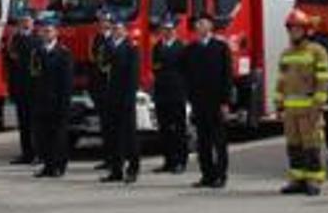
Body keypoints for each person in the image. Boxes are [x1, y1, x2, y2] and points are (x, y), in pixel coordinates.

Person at [278, 10, 328, 196]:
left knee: (312, 145)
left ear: (307, 30)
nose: (294, 32)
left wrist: (317, 105)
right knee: (293, 146)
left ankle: (314, 180)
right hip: (291, 110)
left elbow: (324, 79)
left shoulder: (317, 51)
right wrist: (279, 103)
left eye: (298, 29)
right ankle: (297, 179)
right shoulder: (286, 54)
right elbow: (281, 81)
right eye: (291, 29)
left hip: (309, 108)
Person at [184, 13, 233, 189]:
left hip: (216, 101)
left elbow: (227, 76)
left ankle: (221, 175)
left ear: (211, 26)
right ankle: (207, 175)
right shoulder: (191, 49)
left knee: (218, 140)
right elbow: (186, 75)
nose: (199, 26)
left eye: (203, 23)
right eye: (197, 24)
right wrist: (189, 98)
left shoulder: (220, 47)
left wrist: (225, 102)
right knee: (203, 141)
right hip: (199, 101)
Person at [97, 10, 142, 184]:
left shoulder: (130, 48)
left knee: (129, 135)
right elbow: (102, 68)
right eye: (114, 27)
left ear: (125, 31)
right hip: (110, 96)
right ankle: (116, 170)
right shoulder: (107, 46)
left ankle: (133, 168)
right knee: (113, 135)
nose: (116, 30)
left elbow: (133, 76)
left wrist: (128, 98)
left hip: (125, 97)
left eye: (119, 28)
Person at [30, 13, 75, 178]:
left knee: (58, 136)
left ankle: (58, 166)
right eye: (43, 31)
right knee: (43, 135)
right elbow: (34, 78)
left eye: (49, 31)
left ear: (56, 33)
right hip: (41, 101)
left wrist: (64, 104)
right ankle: (48, 165)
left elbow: (66, 83)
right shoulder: (37, 52)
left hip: (57, 101)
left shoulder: (64, 54)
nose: (46, 34)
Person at [150, 14, 189, 175]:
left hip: (177, 92)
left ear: (175, 30)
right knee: (164, 128)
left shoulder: (181, 48)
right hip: (161, 92)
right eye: (164, 29)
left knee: (179, 128)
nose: (167, 32)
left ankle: (181, 161)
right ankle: (168, 161)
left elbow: (186, 71)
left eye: (170, 29)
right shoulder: (157, 47)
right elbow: (155, 68)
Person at [5, 10, 39, 166]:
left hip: (34, 87)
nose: (24, 23)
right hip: (20, 87)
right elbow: (10, 65)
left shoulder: (37, 39)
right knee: (23, 123)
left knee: (36, 123)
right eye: (22, 20)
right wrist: (11, 88)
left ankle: (38, 153)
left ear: (33, 22)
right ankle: (26, 153)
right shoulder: (15, 39)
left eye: (27, 20)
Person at [90, 10, 116, 175]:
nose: (102, 23)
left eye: (105, 21)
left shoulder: (115, 39)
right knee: (105, 125)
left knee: (115, 125)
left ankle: (116, 158)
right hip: (100, 87)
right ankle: (107, 158)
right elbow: (94, 60)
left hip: (113, 86)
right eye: (100, 21)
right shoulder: (97, 38)